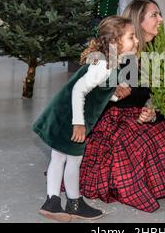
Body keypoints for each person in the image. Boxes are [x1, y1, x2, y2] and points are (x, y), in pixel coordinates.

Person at [79, 0, 165, 213]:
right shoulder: (118, 51)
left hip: (142, 112)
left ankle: (155, 183)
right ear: (139, 21)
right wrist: (114, 91)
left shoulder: (159, 51)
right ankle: (129, 183)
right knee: (134, 138)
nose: (160, 19)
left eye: (159, 14)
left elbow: (161, 94)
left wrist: (153, 111)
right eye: (154, 15)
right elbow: (94, 91)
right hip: (113, 116)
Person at [33, 16, 138, 221]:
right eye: (131, 36)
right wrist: (78, 123)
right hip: (70, 118)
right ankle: (74, 202)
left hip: (65, 114)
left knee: (59, 157)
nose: (136, 41)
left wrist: (116, 95)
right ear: (115, 43)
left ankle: (53, 202)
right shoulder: (103, 65)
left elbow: (100, 91)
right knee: (73, 160)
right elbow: (79, 90)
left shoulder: (112, 63)